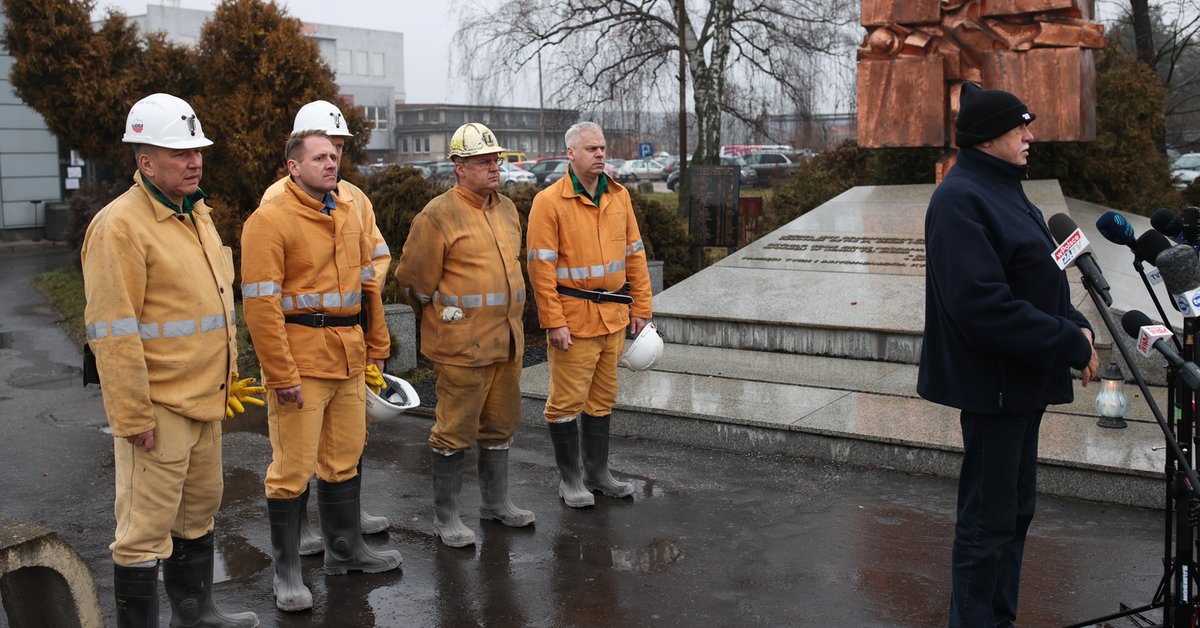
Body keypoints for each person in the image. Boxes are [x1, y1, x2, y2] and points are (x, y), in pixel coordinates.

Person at [918, 81, 1100, 627]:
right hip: (992, 386)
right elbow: (983, 308)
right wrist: (1068, 342)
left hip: (1021, 384)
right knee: (987, 522)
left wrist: (1077, 322)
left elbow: (1034, 278)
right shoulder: (960, 199)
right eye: (1020, 127)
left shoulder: (1006, 188)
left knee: (1014, 513)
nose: (1031, 136)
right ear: (987, 137)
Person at [81, 93, 260, 627]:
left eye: (197, 150)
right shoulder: (121, 227)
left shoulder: (196, 214)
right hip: (157, 409)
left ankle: (196, 613)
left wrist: (226, 381)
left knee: (199, 510)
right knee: (142, 533)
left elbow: (208, 308)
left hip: (205, 402)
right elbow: (112, 334)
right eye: (179, 153)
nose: (194, 161)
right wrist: (132, 417)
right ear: (145, 161)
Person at [241, 129, 401, 612]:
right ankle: (287, 573)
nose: (331, 164)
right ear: (293, 167)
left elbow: (365, 287)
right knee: (291, 469)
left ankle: (346, 552)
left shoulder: (347, 210)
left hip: (349, 357)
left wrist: (378, 345)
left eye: (334, 156)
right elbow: (261, 307)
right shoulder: (269, 221)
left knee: (344, 457)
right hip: (302, 362)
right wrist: (282, 374)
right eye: (319, 158)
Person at [393, 122, 533, 547]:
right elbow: (413, 281)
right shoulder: (437, 215)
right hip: (461, 347)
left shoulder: (507, 209)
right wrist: (443, 318)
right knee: (453, 430)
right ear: (459, 167)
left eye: (497, 160)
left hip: (506, 343)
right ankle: (447, 517)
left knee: (501, 426)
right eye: (484, 161)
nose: (494, 168)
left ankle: (495, 504)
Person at [261, 99, 392, 555]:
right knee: (295, 456)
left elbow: (374, 260)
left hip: (346, 342)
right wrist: (280, 369)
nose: (334, 154)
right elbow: (265, 299)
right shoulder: (276, 205)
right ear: (297, 158)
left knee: (344, 447)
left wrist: (371, 333)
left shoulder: (352, 200)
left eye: (338, 147)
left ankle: (344, 536)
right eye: (324, 147)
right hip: (304, 348)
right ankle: (298, 536)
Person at [526, 121, 653, 508]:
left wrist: (641, 307)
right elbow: (540, 267)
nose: (600, 154)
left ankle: (598, 475)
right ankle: (571, 480)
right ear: (571, 154)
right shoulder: (549, 202)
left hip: (613, 316)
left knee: (602, 400)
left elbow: (635, 253)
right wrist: (553, 321)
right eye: (591, 148)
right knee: (565, 402)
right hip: (574, 320)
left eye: (602, 148)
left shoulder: (619, 196)